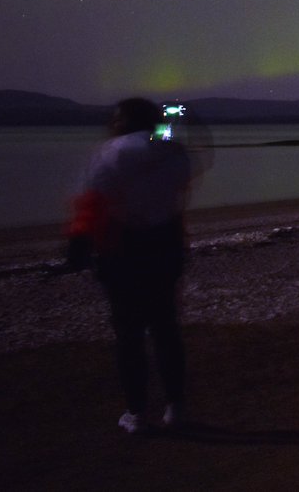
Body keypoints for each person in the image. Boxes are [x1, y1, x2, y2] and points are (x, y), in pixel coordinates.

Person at [65, 98, 192, 435]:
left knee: (129, 334)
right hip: (166, 246)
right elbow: (178, 193)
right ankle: (175, 408)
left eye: (116, 116)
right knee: (166, 328)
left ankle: (136, 413)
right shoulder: (174, 151)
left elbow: (91, 202)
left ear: (123, 121)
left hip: (122, 251)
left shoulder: (110, 152)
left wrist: (78, 243)